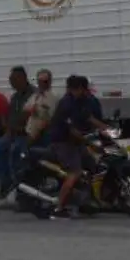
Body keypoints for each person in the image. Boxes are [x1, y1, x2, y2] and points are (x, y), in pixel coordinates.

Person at [45, 75, 104, 219]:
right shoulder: (66, 104)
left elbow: (90, 118)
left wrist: (108, 129)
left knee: (91, 165)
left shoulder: (83, 101)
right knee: (75, 172)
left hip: (76, 142)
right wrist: (87, 140)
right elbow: (72, 130)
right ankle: (59, 208)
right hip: (63, 142)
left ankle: (85, 199)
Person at [0, 66, 33, 199]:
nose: (11, 83)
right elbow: (10, 116)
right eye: (10, 80)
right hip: (14, 132)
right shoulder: (15, 97)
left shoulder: (33, 95)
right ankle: (6, 182)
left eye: (14, 80)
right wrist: (8, 131)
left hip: (28, 133)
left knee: (16, 151)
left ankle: (21, 188)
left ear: (23, 78)